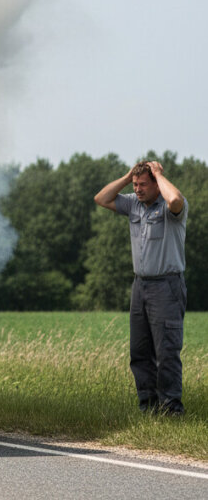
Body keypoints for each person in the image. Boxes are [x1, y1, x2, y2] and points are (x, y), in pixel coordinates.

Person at [94, 161, 188, 415]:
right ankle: (148, 407)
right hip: (140, 286)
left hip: (166, 286)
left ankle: (171, 410)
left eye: (143, 184)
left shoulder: (171, 208)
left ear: (156, 184)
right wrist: (127, 177)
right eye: (135, 185)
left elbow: (176, 199)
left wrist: (157, 174)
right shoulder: (133, 204)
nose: (138, 190)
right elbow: (101, 198)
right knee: (139, 350)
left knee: (166, 350)